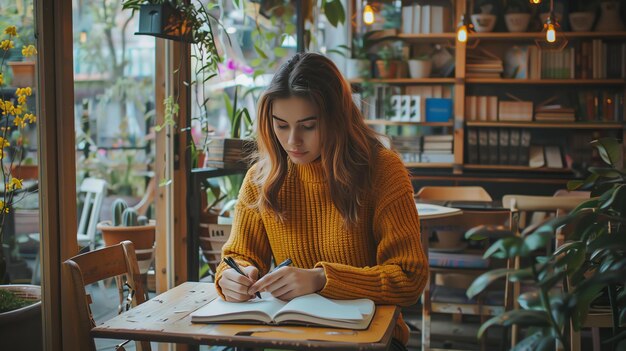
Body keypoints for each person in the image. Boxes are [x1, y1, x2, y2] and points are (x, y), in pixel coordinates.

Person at [215, 52, 428, 350]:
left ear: (337, 118)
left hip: (368, 340)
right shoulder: (261, 178)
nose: (292, 142)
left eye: (309, 126)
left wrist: (321, 279)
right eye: (281, 125)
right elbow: (238, 255)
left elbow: (409, 278)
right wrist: (233, 276)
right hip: (290, 337)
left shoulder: (382, 170)